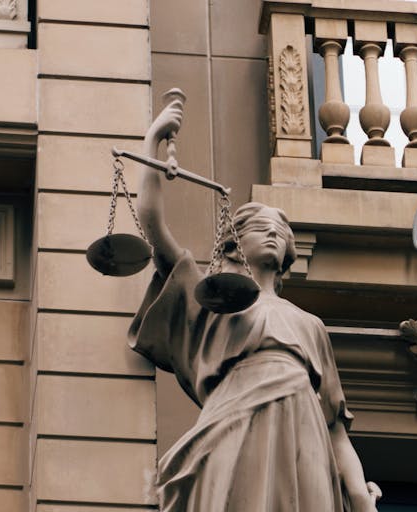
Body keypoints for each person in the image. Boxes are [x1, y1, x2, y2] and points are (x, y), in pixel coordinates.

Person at [129, 97, 378, 511]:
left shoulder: (309, 324)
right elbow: (153, 226)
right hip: (235, 426)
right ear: (234, 243)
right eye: (260, 228)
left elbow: (336, 432)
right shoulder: (215, 298)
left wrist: (361, 499)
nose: (272, 235)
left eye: (280, 231)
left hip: (305, 434)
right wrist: (153, 143)